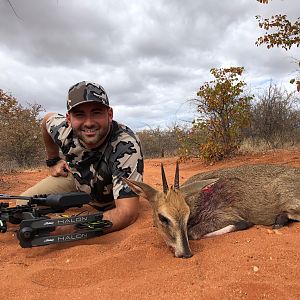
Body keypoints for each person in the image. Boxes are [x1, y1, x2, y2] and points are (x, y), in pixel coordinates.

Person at [19, 81, 144, 233]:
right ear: (69, 119)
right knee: (22, 205)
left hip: (109, 195)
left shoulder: (125, 145)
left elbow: (126, 214)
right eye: (79, 115)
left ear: (109, 114)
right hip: (76, 179)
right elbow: (46, 120)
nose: (89, 123)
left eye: (96, 112)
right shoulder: (63, 131)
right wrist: (53, 160)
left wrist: (71, 227)